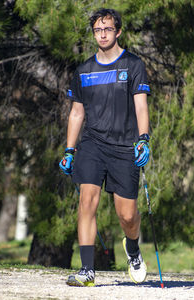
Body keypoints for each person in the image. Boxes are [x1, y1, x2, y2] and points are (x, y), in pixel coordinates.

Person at [59, 8, 150, 287]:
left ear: (118, 31)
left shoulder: (133, 65)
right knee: (87, 201)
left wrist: (143, 139)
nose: (102, 34)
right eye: (98, 30)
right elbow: (76, 113)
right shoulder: (84, 70)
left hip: (124, 147)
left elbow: (141, 106)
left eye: (108, 29)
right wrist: (70, 150)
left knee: (127, 215)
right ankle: (87, 270)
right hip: (92, 145)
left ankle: (133, 249)